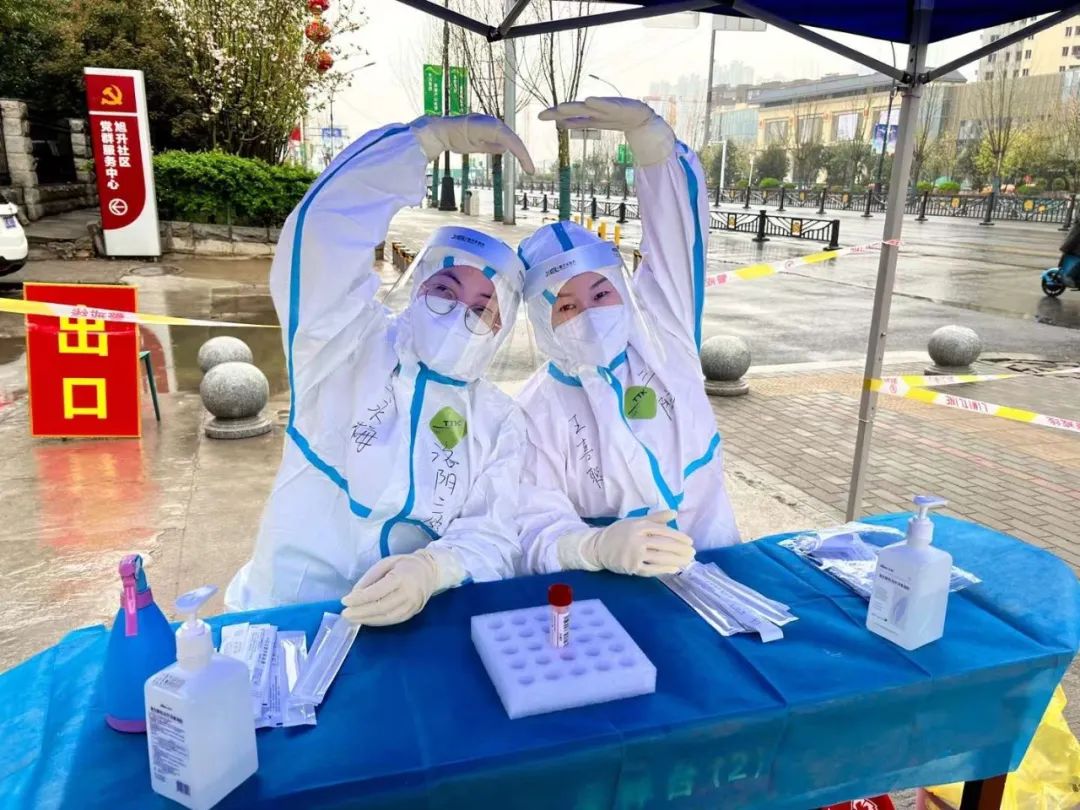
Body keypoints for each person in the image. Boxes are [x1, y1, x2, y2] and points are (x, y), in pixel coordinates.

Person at [226, 114, 536, 625]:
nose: (460, 313)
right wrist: (418, 144)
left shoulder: (499, 420)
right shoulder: (346, 347)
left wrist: (436, 568)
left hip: (416, 624)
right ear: (417, 289)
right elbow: (322, 239)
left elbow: (494, 531)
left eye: (484, 309)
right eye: (445, 289)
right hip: (292, 611)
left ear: (501, 330)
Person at [515, 97, 739, 577]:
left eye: (601, 293)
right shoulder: (535, 411)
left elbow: (678, 241)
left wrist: (652, 147)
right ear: (541, 321)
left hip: (717, 564)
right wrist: (591, 546)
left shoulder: (663, 342)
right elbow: (532, 523)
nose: (591, 315)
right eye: (566, 306)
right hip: (609, 591)